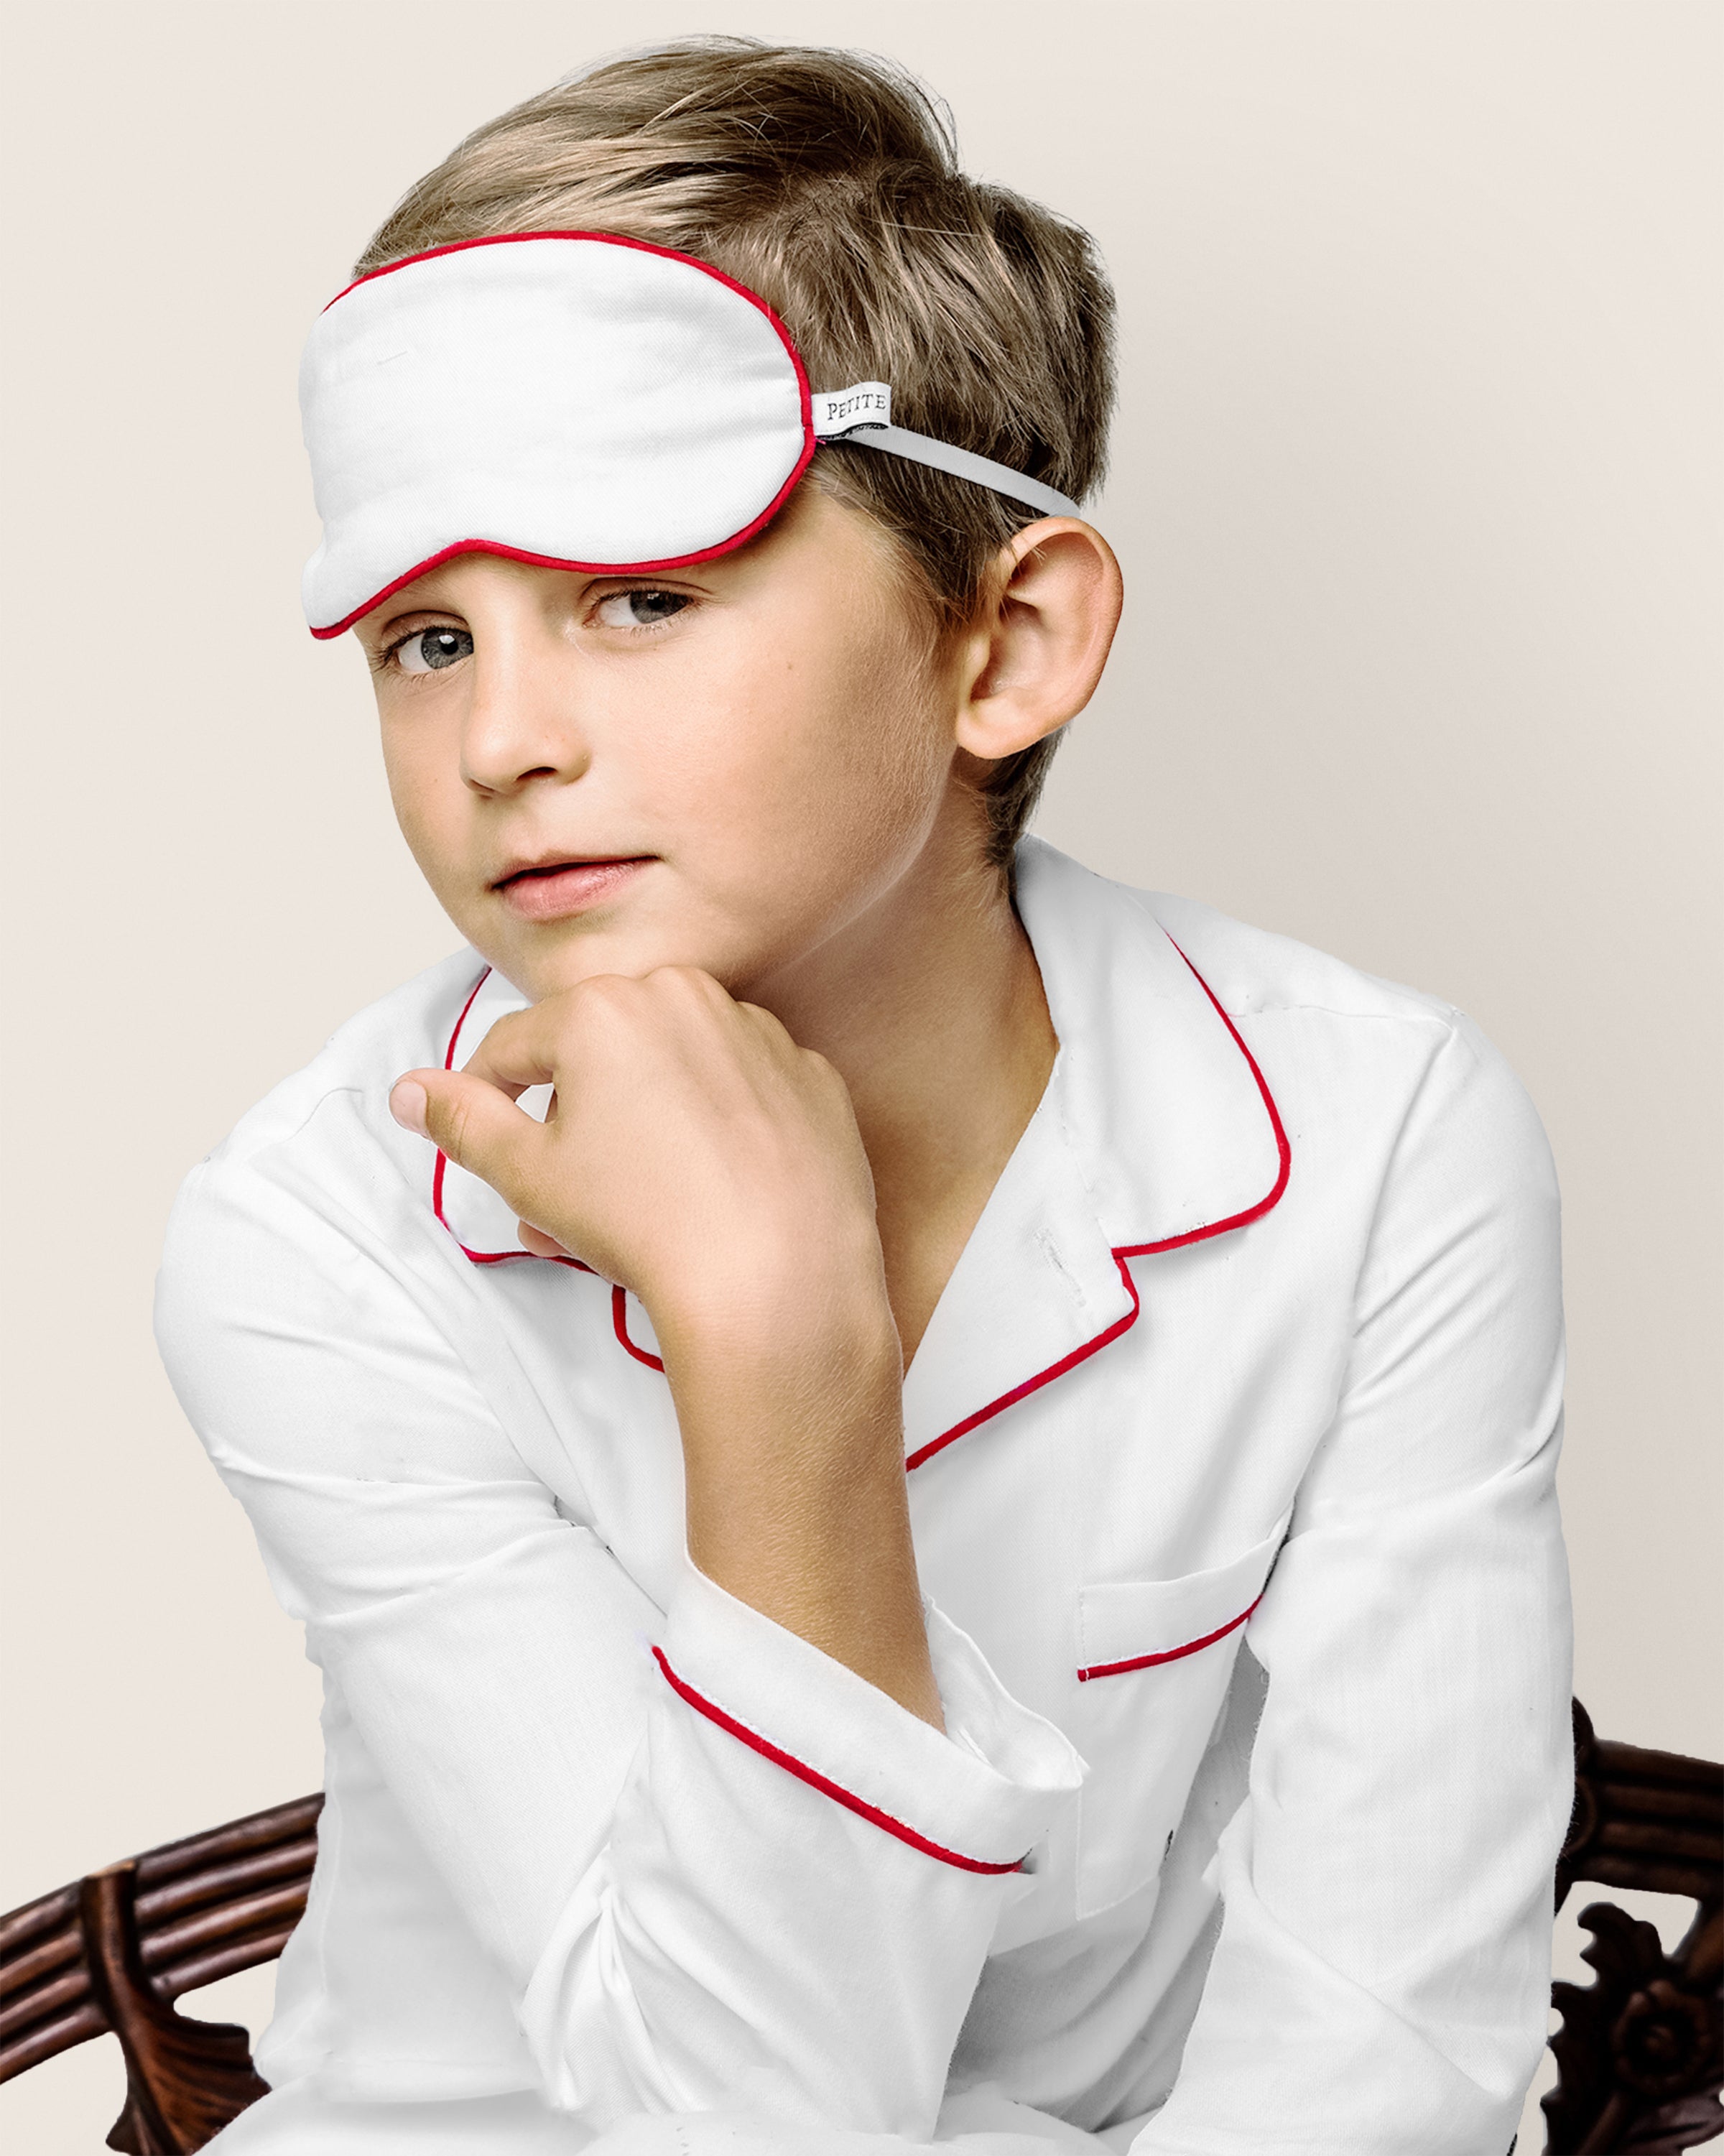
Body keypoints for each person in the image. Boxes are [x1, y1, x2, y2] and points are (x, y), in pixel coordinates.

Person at [154, 36, 1573, 2156]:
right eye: (425, 641)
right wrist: (783, 1348)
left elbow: (1389, 2054)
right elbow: (746, 2124)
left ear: (1003, 643)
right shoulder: (320, 1234)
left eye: (643, 595)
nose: (501, 741)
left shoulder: (1377, 1137)